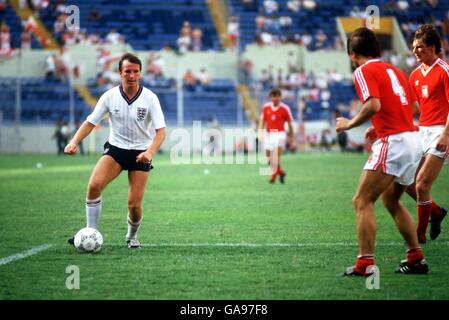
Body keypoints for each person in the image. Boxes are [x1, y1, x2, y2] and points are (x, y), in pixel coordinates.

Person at [336, 27, 428, 276]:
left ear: (353, 54)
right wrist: (380, 127)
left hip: (396, 143)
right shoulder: (394, 70)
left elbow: (374, 104)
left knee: (362, 200)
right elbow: (413, 107)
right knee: (391, 200)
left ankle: (364, 264)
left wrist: (349, 124)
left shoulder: (364, 71)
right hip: (412, 139)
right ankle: (415, 258)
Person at [64, 53, 166, 249]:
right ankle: (90, 232)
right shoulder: (109, 96)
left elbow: (161, 132)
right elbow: (90, 122)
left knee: (134, 206)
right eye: (127, 71)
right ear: (120, 73)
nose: (132, 75)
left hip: (140, 154)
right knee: (94, 186)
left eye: (136, 72)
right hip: (116, 151)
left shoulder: (150, 98)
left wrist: (150, 153)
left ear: (140, 73)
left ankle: (131, 236)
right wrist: (74, 141)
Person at [407, 24, 448, 244]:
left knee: (422, 185)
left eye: (420, 47)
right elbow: (413, 108)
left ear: (432, 48)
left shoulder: (444, 71)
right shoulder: (414, 75)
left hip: (441, 132)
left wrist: (446, 135)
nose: (415, 51)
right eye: (414, 47)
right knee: (404, 180)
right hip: (421, 132)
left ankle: (419, 235)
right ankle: (436, 211)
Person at [258, 88, 296, 184]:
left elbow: (290, 125)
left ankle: (273, 177)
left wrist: (292, 140)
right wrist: (260, 133)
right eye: (273, 96)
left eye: (277, 96)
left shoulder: (285, 108)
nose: (275, 98)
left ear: (280, 97)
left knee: (275, 156)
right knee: (268, 158)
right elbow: (262, 121)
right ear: (270, 97)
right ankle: (281, 172)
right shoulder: (266, 107)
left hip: (280, 135)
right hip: (269, 134)